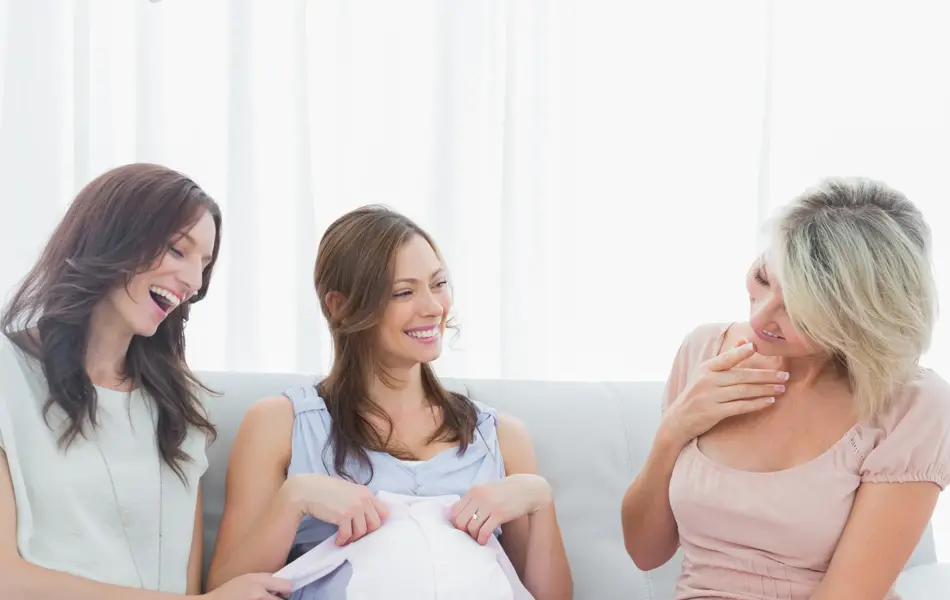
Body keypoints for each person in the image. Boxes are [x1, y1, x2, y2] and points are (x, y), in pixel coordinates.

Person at [206, 205, 573, 599]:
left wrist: (538, 497)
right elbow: (224, 593)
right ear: (340, 306)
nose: (433, 307)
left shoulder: (499, 437)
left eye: (438, 283)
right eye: (404, 292)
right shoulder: (281, 424)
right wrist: (294, 499)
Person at [621, 177, 950, 600]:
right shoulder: (706, 349)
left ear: (861, 318)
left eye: (799, 309)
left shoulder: (912, 404)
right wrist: (675, 429)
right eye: (763, 277)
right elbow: (645, 552)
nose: (760, 318)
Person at [0, 163, 291, 600]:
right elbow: (7, 580)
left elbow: (185, 587)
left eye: (204, 263)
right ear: (112, 236)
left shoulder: (180, 406)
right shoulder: (8, 375)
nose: (194, 281)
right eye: (178, 250)